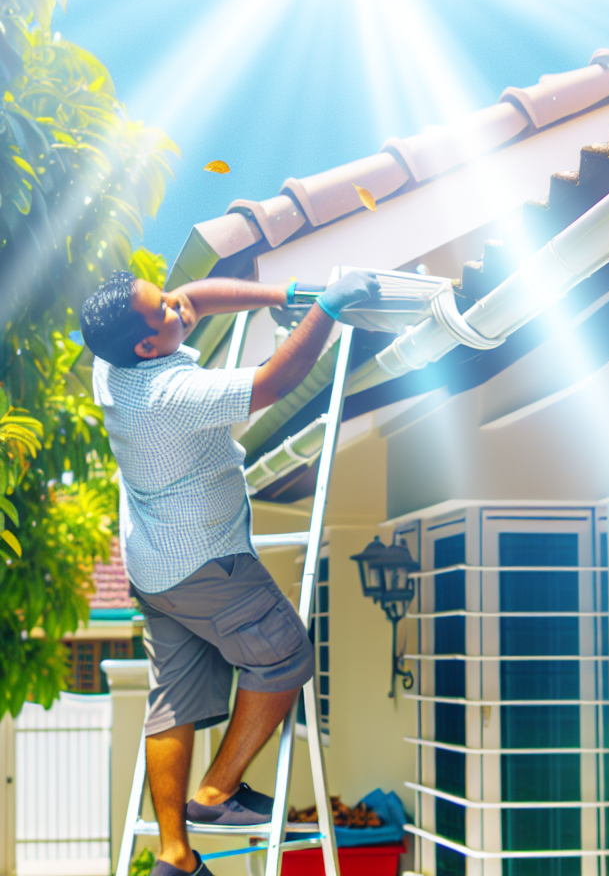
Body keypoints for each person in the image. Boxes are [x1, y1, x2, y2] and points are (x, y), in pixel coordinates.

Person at [81, 270, 378, 876]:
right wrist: (325, 308)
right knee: (284, 653)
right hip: (205, 564)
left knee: (174, 700)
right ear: (146, 345)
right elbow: (276, 381)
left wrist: (283, 295)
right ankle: (215, 793)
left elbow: (192, 294)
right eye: (161, 310)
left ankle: (174, 855)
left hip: (155, 565)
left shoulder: (110, 360)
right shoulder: (169, 395)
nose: (174, 307)